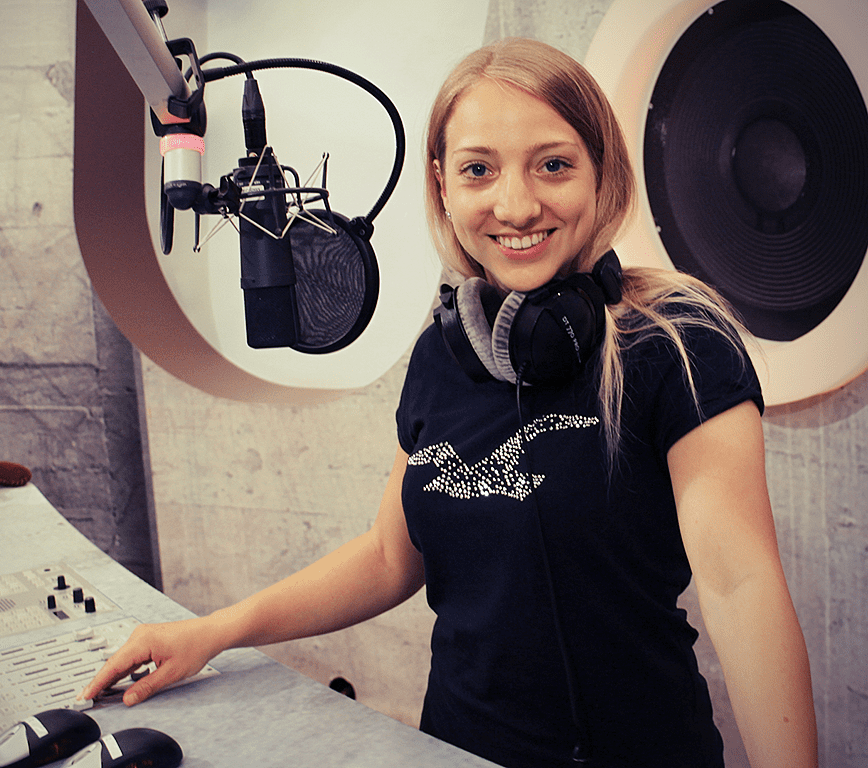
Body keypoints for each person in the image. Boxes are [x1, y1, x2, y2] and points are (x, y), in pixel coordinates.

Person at [80, 38, 817, 768]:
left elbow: (739, 586)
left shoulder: (678, 343)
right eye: (478, 169)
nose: (515, 205)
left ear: (602, 172)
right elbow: (387, 557)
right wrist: (213, 632)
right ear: (442, 185)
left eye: (553, 164)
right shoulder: (445, 349)